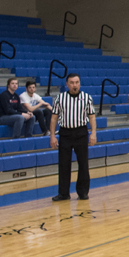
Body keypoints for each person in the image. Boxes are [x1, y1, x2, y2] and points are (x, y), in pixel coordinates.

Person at [50, 73, 96, 201]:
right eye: (72, 82)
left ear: (80, 83)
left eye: (76, 82)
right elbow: (54, 118)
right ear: (67, 84)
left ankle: (82, 192)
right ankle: (63, 193)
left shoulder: (87, 98)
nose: (74, 85)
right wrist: (52, 135)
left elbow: (91, 116)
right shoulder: (60, 98)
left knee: (83, 164)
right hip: (65, 133)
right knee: (64, 164)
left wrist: (93, 133)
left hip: (81, 132)